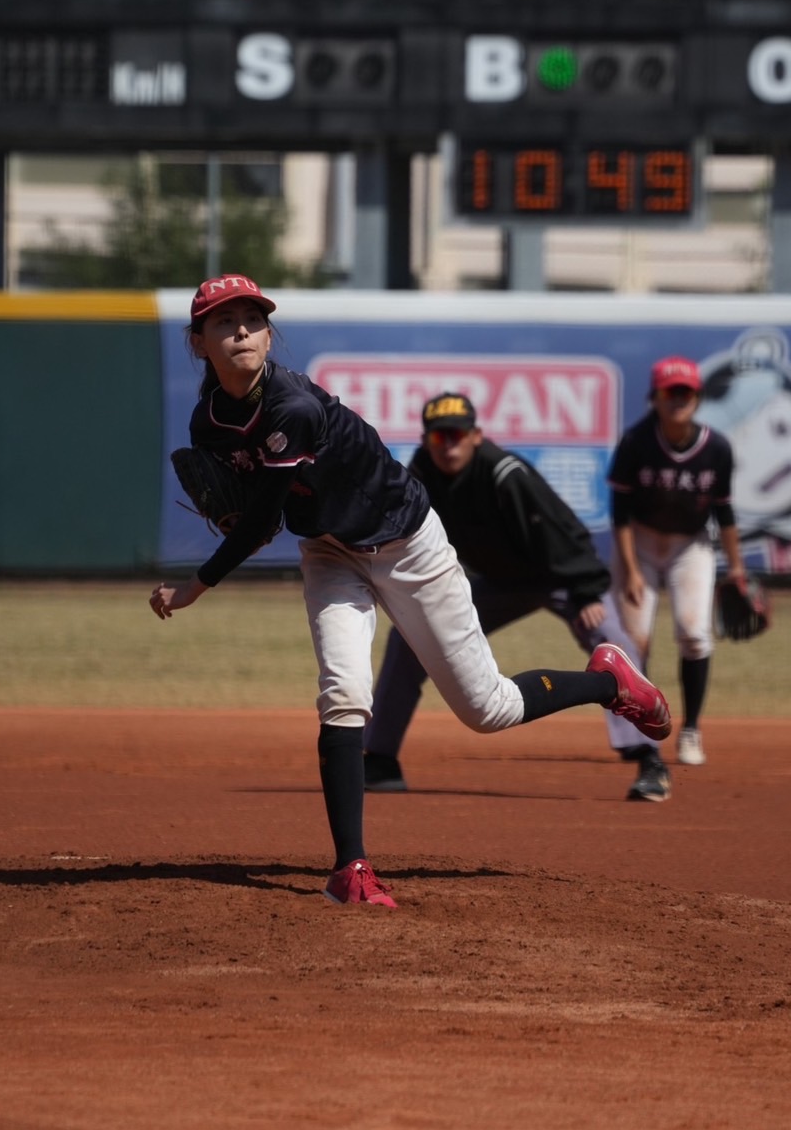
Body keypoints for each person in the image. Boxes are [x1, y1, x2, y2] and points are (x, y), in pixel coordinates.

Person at [149, 275, 672, 909]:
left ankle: (611, 681)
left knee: (489, 710)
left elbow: (260, 522)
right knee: (342, 692)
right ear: (197, 341)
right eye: (222, 321)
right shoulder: (209, 423)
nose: (240, 330)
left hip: (408, 544)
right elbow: (264, 516)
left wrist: (195, 586)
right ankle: (351, 868)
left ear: (267, 333)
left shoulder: (293, 407)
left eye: (252, 319)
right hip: (331, 551)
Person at [364, 392, 671, 804]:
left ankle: (648, 758)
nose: (448, 445)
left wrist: (583, 592)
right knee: (407, 639)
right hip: (497, 582)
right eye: (438, 438)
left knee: (613, 635)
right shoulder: (421, 475)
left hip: (559, 576)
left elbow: (562, 530)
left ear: (476, 435)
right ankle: (381, 758)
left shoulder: (505, 472)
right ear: (426, 440)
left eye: (456, 434)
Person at [608, 354, 745, 769]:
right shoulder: (636, 443)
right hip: (642, 543)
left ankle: (691, 730)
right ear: (655, 398)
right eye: (670, 392)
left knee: (694, 634)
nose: (678, 399)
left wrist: (737, 567)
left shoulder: (716, 449)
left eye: (685, 391)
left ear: (698, 397)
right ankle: (644, 730)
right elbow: (620, 513)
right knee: (636, 642)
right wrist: (630, 569)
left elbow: (724, 510)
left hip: (692, 547)